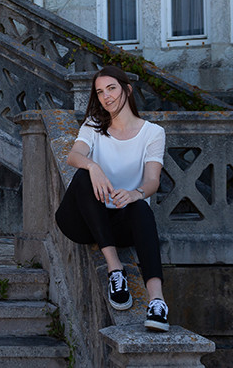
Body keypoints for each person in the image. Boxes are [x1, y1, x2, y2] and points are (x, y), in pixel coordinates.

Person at [55, 65, 169, 332]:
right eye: (100, 92)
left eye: (112, 88)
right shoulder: (94, 125)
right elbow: (73, 156)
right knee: (83, 176)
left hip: (121, 222)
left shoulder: (152, 133)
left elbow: (152, 181)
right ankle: (115, 270)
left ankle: (157, 302)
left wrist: (133, 194)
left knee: (141, 207)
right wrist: (94, 167)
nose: (106, 97)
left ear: (127, 90)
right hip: (82, 220)